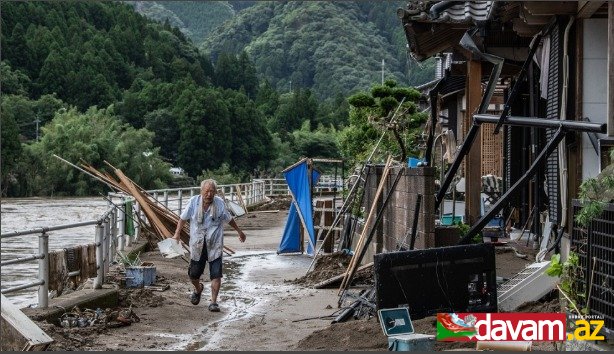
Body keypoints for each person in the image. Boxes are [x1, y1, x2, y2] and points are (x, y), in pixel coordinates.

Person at [172, 179, 246, 311]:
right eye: (206, 191)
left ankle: (213, 302)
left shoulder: (220, 203)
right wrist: (177, 234)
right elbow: (183, 218)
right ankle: (198, 288)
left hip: (215, 244)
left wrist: (239, 231)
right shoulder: (194, 202)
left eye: (212, 191)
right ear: (201, 191)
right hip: (197, 243)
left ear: (215, 192)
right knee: (193, 274)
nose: (209, 194)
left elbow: (229, 219)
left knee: (216, 274)